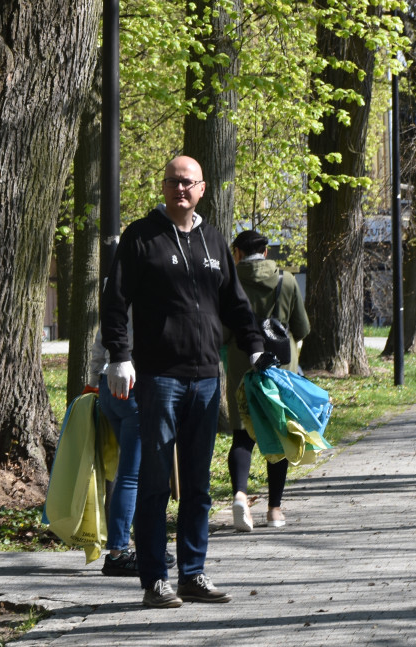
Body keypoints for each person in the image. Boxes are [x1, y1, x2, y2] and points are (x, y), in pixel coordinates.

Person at [101, 156, 265, 608]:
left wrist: (253, 344)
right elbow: (115, 302)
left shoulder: (214, 240)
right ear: (164, 185)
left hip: (206, 379)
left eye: (187, 182)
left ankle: (193, 573)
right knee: (155, 482)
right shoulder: (141, 237)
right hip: (158, 379)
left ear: (202, 188)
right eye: (173, 181)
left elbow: (233, 303)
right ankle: (155, 579)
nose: (179, 189)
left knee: (197, 484)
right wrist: (120, 355)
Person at [225, 229, 311, 532]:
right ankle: (274, 511)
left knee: (242, 435)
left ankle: (239, 495)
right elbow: (301, 327)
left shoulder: (228, 281)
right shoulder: (286, 281)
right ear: (265, 252)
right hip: (279, 368)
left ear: (237, 253)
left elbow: (221, 333)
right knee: (278, 435)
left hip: (240, 365)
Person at [84, 330, 177, 577]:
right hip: (134, 385)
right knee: (131, 475)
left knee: (130, 471)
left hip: (108, 384)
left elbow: (99, 342)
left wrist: (93, 381)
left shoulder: (118, 297)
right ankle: (118, 552)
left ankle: (144, 546)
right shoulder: (152, 296)